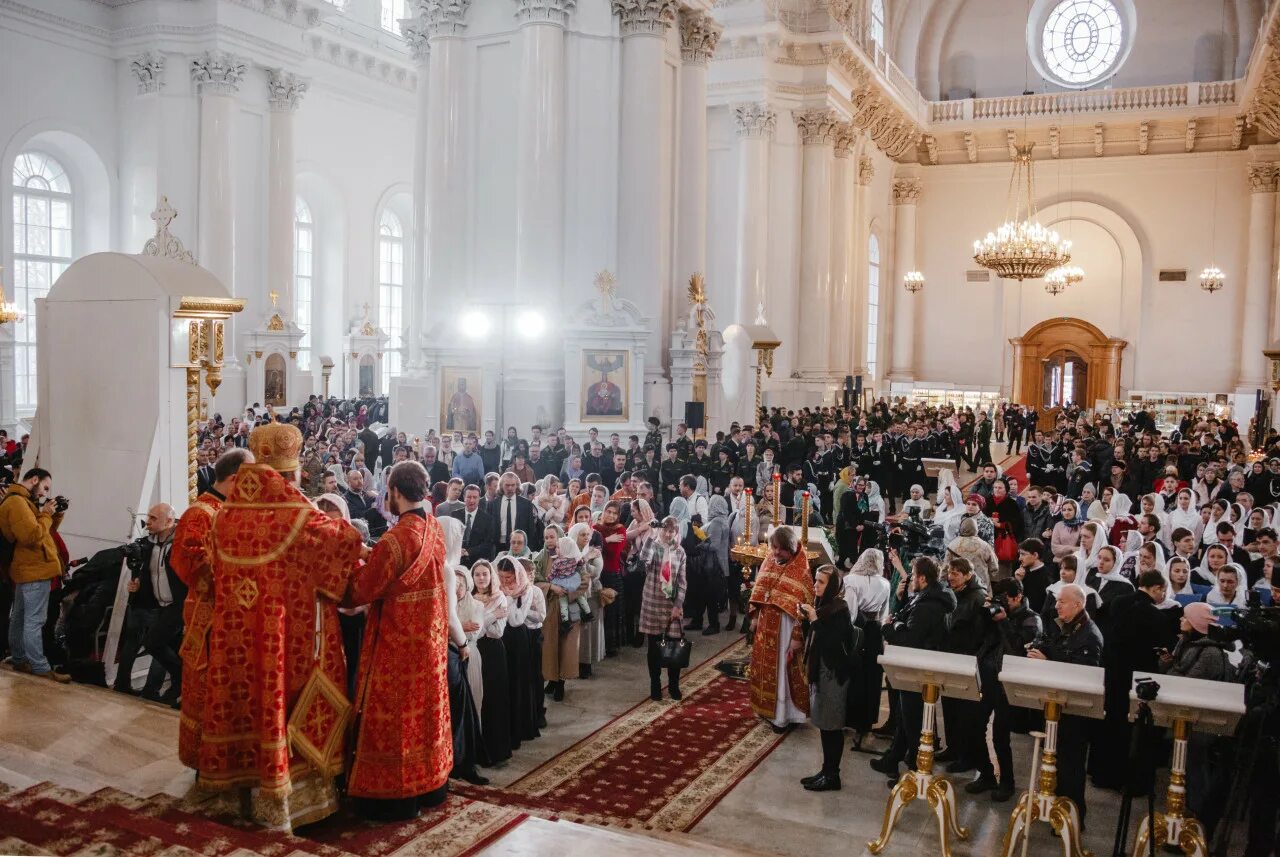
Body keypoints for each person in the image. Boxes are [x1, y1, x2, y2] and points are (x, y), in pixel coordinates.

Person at [195, 424, 366, 831]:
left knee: (244, 702)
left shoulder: (225, 517)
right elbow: (344, 542)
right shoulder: (298, 517)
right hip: (289, 641)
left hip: (237, 639)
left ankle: (238, 794)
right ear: (290, 474)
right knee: (284, 704)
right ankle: (298, 804)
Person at [345, 462, 464, 820]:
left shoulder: (395, 539)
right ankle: (431, 786)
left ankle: (396, 796)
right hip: (429, 643)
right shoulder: (433, 530)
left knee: (395, 721)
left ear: (395, 491)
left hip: (396, 645)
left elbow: (361, 589)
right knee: (426, 715)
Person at [171, 447, 252, 768]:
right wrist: (234, 569)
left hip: (230, 618)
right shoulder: (201, 513)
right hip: (207, 619)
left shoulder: (230, 510)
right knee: (207, 692)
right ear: (235, 478)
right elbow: (186, 563)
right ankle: (205, 763)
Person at [870, 557, 956, 779]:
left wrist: (889, 629)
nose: (910, 580)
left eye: (913, 575)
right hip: (918, 667)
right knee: (905, 717)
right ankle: (892, 758)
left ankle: (913, 773)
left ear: (923, 579)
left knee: (912, 721)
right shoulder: (931, 597)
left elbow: (909, 640)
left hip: (918, 669)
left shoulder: (928, 606)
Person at [1027, 583, 1103, 828]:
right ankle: (1055, 807)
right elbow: (1056, 647)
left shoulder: (1089, 635)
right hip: (1058, 705)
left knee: (1071, 765)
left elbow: (1082, 673)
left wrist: (1047, 661)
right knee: (1057, 759)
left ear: (1078, 605)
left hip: (1075, 711)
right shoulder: (1066, 626)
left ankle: (1072, 817)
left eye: (1062, 601)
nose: (1056, 605)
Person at [969, 577, 1041, 801]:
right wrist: (984, 614)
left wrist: (1003, 621)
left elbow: (1017, 649)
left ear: (1018, 597)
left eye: (1005, 599)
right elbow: (979, 637)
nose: (1002, 603)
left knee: (1000, 736)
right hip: (987, 679)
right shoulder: (996, 613)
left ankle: (1007, 782)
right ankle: (986, 774)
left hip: (1008, 685)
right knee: (973, 727)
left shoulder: (1032, 619)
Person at [1, 467, 70, 683]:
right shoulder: (17, 503)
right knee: (34, 620)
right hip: (34, 569)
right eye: (45, 487)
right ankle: (40, 667)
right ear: (34, 480)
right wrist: (46, 513)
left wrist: (55, 513)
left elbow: (45, 532)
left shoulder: (22, 501)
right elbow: (32, 536)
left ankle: (20, 658)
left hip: (27, 568)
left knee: (20, 617)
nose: (44, 493)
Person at [114, 503, 185, 705]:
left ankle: (179, 680)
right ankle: (177, 687)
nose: (148, 522)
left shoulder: (180, 543)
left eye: (154, 518)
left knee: (153, 642)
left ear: (169, 521)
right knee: (170, 646)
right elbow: (149, 572)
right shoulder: (149, 544)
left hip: (177, 605)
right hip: (158, 604)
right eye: (149, 517)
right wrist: (137, 584)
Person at [748, 527, 815, 731]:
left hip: (786, 628)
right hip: (765, 626)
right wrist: (755, 616)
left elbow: (804, 608)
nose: (776, 552)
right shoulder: (769, 560)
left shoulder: (801, 570)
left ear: (791, 548)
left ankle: (783, 716)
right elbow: (760, 589)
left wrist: (797, 637)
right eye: (774, 547)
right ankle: (765, 709)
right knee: (764, 668)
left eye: (781, 549)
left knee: (782, 670)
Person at [799, 564, 858, 792]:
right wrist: (808, 619)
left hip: (834, 674)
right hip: (823, 672)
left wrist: (814, 620)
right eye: (815, 580)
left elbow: (833, 646)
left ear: (832, 585)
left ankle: (833, 776)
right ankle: (826, 771)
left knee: (832, 726)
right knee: (824, 725)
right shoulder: (824, 606)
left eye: (821, 582)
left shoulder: (839, 610)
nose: (815, 585)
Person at [937, 556, 988, 776]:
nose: (950, 576)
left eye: (956, 573)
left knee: (964, 712)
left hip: (966, 658)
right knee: (949, 706)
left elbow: (966, 627)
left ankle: (965, 757)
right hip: (952, 656)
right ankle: (953, 748)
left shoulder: (977, 597)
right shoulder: (956, 593)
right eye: (949, 572)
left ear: (968, 575)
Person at [498, 555, 546, 747]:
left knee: (523, 682)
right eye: (501, 577)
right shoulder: (498, 589)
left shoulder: (527, 591)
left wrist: (508, 600)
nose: (504, 582)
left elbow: (516, 620)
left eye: (508, 578)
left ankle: (524, 724)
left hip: (521, 640)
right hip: (503, 640)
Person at [638, 516, 688, 701]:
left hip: (670, 605)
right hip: (652, 601)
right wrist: (650, 535)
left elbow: (682, 582)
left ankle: (674, 684)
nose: (668, 534)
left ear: (676, 532)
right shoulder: (654, 546)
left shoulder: (680, 551)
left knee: (674, 645)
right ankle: (655, 684)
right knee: (654, 647)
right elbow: (644, 559)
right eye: (665, 530)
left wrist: (678, 605)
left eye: (671, 531)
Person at [844, 549, 890, 746]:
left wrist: (848, 632)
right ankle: (867, 720)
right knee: (872, 674)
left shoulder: (851, 580)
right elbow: (884, 612)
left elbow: (850, 610)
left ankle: (851, 717)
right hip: (875, 631)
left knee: (855, 673)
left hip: (858, 629)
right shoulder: (885, 583)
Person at [471, 559, 512, 766]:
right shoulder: (468, 597)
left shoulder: (500, 599)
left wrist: (480, 622)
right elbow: (473, 632)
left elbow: (497, 632)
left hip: (493, 653)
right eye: (477, 574)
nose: (481, 578)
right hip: (473, 652)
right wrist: (490, 616)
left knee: (493, 701)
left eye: (484, 574)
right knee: (476, 699)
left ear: (491, 576)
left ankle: (495, 751)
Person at [945, 517, 999, 589]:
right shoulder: (985, 545)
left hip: (959, 585)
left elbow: (945, 567)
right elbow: (994, 567)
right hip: (981, 586)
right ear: (976, 528)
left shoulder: (952, 545)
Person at [453, 484, 497, 564]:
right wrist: (458, 550)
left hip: (477, 562)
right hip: (457, 560)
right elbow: (451, 538)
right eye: (469, 497)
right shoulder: (455, 515)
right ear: (464, 497)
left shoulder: (487, 519)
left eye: (475, 497)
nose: (472, 500)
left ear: (479, 498)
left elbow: (488, 544)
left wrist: (469, 552)